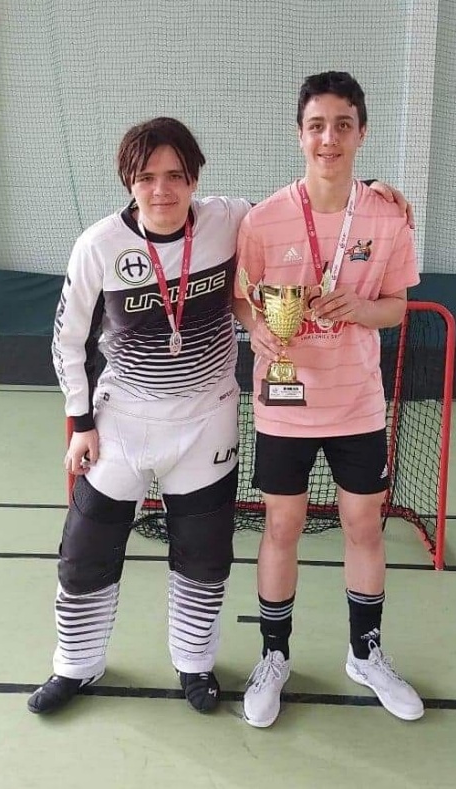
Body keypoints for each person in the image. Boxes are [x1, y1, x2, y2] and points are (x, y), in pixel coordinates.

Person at [27, 114, 413, 718]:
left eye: (175, 176)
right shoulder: (97, 245)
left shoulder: (229, 219)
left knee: (204, 553)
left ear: (194, 179)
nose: (162, 190)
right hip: (122, 422)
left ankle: (194, 663)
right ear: (129, 181)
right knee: (85, 547)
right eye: (147, 177)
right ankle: (75, 664)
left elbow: (309, 205)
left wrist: (376, 193)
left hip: (207, 420)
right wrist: (80, 421)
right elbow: (66, 339)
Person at [233, 71, 424, 728]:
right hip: (284, 403)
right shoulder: (263, 219)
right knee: (281, 526)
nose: (329, 138)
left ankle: (365, 653)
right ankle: (274, 655)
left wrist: (363, 309)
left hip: (357, 404)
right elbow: (242, 295)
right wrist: (258, 326)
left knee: (363, 526)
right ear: (300, 134)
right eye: (317, 125)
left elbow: (397, 306)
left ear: (361, 132)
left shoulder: (388, 216)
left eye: (343, 125)